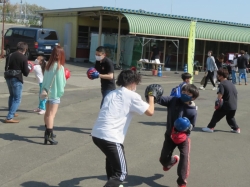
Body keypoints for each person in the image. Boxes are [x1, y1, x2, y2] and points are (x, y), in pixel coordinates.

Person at [91, 70, 162, 187]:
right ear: (133, 82)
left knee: (112, 161)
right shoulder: (132, 96)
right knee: (121, 173)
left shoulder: (111, 93)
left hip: (97, 134)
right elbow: (150, 112)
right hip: (111, 137)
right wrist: (151, 97)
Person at [158, 84, 199, 187]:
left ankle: (181, 182)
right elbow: (160, 99)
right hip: (170, 135)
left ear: (193, 97)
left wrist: (186, 127)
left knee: (184, 158)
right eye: (183, 92)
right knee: (163, 159)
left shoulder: (192, 110)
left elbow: (192, 125)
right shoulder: (173, 100)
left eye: (188, 93)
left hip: (183, 138)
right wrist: (153, 95)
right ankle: (171, 161)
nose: (184, 94)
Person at [202, 69, 240, 133]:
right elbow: (235, 93)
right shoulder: (231, 83)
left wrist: (217, 103)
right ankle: (236, 129)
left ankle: (210, 127)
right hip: (234, 105)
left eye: (218, 75)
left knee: (216, 115)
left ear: (221, 76)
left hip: (226, 105)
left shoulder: (222, 84)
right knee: (230, 117)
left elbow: (220, 95)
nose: (217, 76)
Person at [42, 46, 66, 145]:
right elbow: (62, 83)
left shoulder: (48, 65)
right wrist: (61, 92)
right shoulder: (60, 67)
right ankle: (49, 135)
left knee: (47, 114)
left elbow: (45, 80)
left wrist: (44, 90)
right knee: (52, 115)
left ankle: (47, 131)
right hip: (55, 93)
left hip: (46, 93)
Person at [4, 42, 29, 123]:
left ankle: (12, 112)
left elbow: (6, 67)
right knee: (17, 98)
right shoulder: (23, 58)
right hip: (17, 78)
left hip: (8, 77)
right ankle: (10, 117)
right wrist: (29, 68)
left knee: (12, 96)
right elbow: (26, 73)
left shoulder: (10, 55)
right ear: (24, 49)